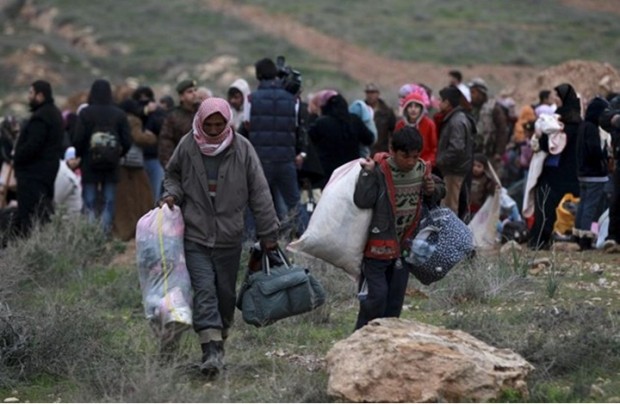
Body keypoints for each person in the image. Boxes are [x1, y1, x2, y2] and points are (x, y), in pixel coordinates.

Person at [160, 97, 279, 378]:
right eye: (208, 125)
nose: (213, 130)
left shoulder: (243, 149)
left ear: (228, 122)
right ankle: (210, 350)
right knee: (204, 290)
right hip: (195, 234)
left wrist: (268, 233)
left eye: (218, 124)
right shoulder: (188, 146)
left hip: (229, 237)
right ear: (200, 122)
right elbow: (172, 175)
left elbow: (260, 193)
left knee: (225, 294)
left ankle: (219, 337)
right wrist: (171, 195)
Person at [353, 126, 445, 330]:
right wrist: (367, 175)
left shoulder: (422, 170)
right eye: (405, 156)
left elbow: (438, 190)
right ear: (392, 150)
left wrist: (433, 189)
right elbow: (362, 200)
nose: (410, 162)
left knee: (394, 304)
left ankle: (387, 346)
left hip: (403, 250)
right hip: (376, 250)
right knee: (374, 299)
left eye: (415, 156)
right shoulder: (379, 171)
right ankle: (360, 341)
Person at [247, 57, 303, 237]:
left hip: (261, 160)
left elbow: (247, 125)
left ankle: (251, 243)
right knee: (293, 203)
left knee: (254, 203)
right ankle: (302, 239)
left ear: (258, 75)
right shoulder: (291, 100)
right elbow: (294, 126)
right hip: (286, 159)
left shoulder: (252, 99)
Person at [73, 79, 132, 237]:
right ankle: (104, 235)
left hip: (89, 164)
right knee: (109, 201)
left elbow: (78, 139)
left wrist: (80, 155)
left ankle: (91, 237)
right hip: (111, 165)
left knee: (90, 201)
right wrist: (119, 154)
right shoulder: (118, 114)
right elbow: (127, 140)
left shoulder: (86, 113)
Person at [528, 83, 581, 250]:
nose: (555, 100)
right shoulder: (575, 121)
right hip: (569, 172)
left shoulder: (559, 122)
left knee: (546, 206)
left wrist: (540, 137)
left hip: (556, 171)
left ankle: (541, 240)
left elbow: (546, 144)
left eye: (558, 97)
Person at [12, 80, 64, 236]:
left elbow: (33, 145)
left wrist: (17, 156)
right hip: (45, 173)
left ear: (40, 96)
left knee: (30, 216)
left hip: (33, 175)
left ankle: (30, 249)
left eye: (31, 93)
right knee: (42, 214)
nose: (29, 97)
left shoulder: (41, 117)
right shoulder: (54, 113)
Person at [309, 93, 375, 189]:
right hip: (351, 171)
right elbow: (369, 139)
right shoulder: (354, 120)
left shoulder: (322, 123)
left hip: (327, 174)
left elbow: (309, 140)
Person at [573, 96, 610, 250]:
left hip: (583, 173)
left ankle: (578, 236)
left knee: (582, 205)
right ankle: (586, 239)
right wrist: (604, 156)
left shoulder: (583, 126)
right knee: (590, 206)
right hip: (594, 174)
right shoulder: (592, 128)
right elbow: (594, 151)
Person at [435, 86, 476, 216]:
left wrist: (440, 161)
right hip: (455, 169)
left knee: (449, 209)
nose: (438, 103)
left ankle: (451, 236)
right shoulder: (456, 118)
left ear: (447, 103)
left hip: (454, 171)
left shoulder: (456, 121)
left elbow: (457, 148)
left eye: (441, 100)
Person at [132, 85, 167, 201]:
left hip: (153, 158)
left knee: (154, 195)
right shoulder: (134, 112)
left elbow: (163, 129)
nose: (144, 100)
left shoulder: (158, 113)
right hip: (136, 159)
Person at [468, 77, 509, 170]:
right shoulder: (469, 108)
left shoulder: (494, 108)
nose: (471, 95)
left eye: (473, 92)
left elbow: (502, 130)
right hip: (472, 153)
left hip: (489, 154)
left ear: (481, 93)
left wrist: (499, 152)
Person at [158, 79, 199, 167]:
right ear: (181, 97)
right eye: (190, 92)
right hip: (183, 163)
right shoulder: (173, 116)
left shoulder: (203, 111)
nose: (194, 94)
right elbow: (166, 141)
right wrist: (169, 165)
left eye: (195, 90)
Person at [394, 90, 438, 169]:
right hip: (403, 166)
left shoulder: (429, 124)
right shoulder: (400, 125)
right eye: (410, 106)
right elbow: (394, 147)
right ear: (406, 109)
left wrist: (427, 163)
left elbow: (433, 148)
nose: (413, 110)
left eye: (416, 106)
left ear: (421, 109)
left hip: (424, 166)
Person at [364, 83, 396, 155]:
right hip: (365, 152)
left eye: (373, 92)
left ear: (378, 94)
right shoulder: (361, 111)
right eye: (368, 93)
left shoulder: (387, 112)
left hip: (382, 152)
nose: (370, 95)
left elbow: (393, 132)